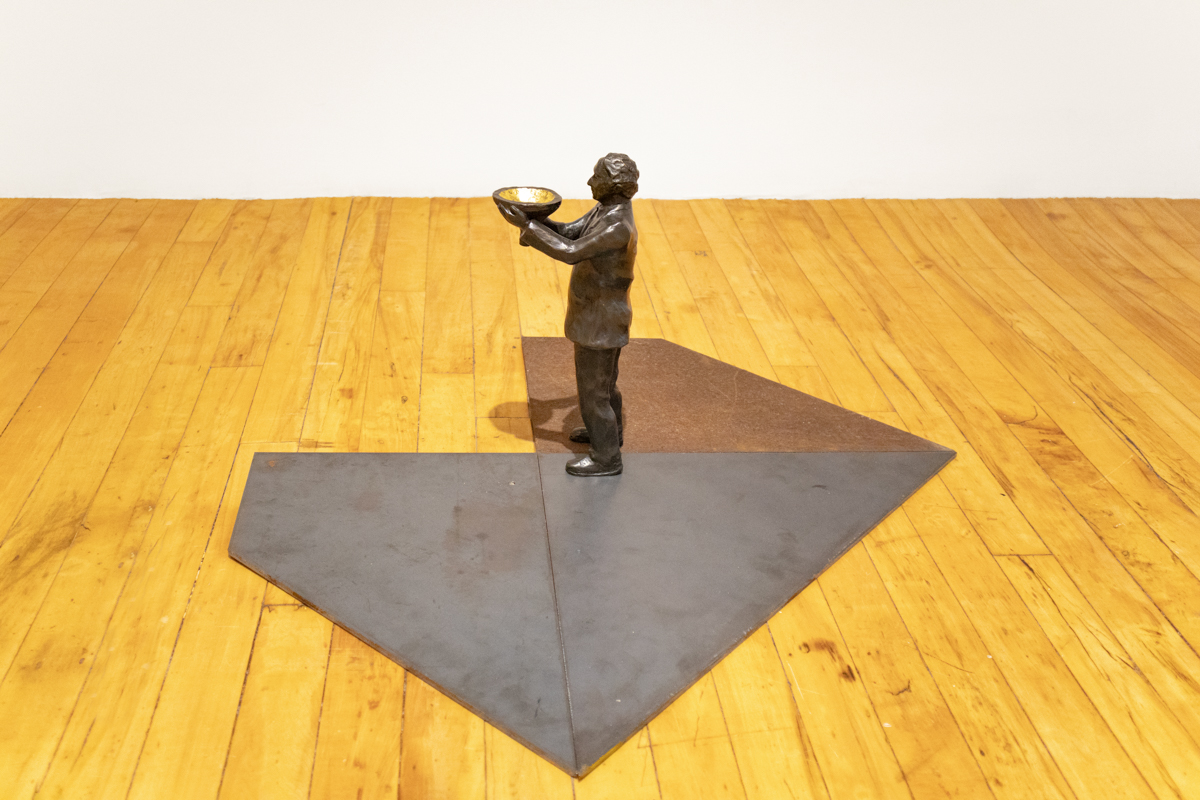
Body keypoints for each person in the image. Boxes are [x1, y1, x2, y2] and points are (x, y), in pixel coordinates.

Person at [497, 153, 639, 476]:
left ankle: (606, 458)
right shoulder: (609, 210)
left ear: (613, 185)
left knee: (593, 394)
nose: (590, 182)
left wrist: (528, 228)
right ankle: (609, 435)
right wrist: (533, 220)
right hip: (603, 317)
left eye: (596, 178)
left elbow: (570, 252)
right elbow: (570, 232)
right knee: (605, 385)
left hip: (599, 321)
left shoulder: (617, 226)